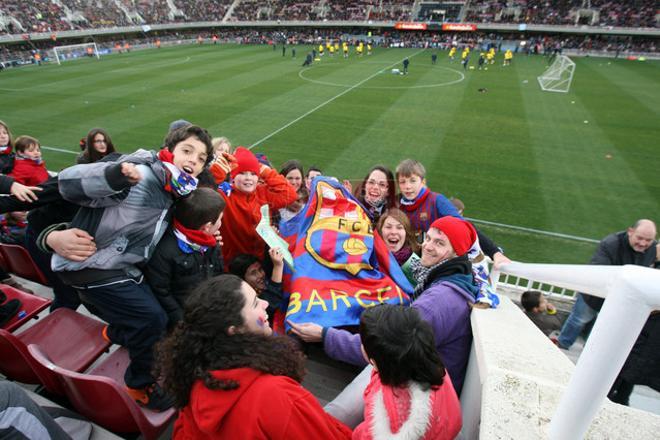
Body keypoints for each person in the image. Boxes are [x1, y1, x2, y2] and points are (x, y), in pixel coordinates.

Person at [43, 125, 214, 411]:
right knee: (153, 318)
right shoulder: (142, 172)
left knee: (153, 307)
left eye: (200, 157)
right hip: (93, 265)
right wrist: (52, 236)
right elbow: (70, 183)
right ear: (170, 150)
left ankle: (119, 333)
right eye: (187, 151)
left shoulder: (175, 187)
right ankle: (140, 385)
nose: (192, 161)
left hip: (118, 266)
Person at [290, 216, 480, 397]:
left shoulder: (439, 300)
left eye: (440, 243)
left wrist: (325, 335)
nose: (428, 246)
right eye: (428, 238)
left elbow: (389, 347)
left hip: (417, 393)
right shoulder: (449, 282)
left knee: (336, 412)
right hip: (417, 380)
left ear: (458, 252)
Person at [156, 275, 352, 439]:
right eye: (255, 303)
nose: (266, 303)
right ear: (235, 330)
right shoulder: (278, 396)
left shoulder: (195, 374)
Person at [353, 305, 462, 440]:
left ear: (375, 363)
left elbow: (366, 435)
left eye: (362, 342)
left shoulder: (381, 414)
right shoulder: (434, 367)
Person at [556, 219, 657, 350]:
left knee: (602, 327)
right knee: (578, 320)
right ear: (630, 231)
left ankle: (590, 351)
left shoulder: (654, 247)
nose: (643, 243)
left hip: (619, 298)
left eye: (648, 240)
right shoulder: (611, 244)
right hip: (593, 295)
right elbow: (598, 271)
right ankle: (562, 346)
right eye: (640, 238)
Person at [395, 159, 509, 269]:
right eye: (403, 182)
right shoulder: (395, 203)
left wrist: (494, 252)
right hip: (406, 263)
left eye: (412, 180)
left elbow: (465, 227)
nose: (407, 186)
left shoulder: (436, 201)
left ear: (423, 181)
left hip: (437, 264)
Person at [145, 188, 225, 328]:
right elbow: (161, 291)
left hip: (206, 309)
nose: (221, 224)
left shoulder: (210, 242)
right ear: (207, 226)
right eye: (220, 219)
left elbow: (217, 272)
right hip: (184, 318)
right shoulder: (165, 251)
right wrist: (180, 320)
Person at [210, 147, 297, 265]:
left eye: (253, 173)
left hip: (260, 264)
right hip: (232, 266)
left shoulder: (263, 193)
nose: (248, 178)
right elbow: (204, 195)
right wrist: (215, 174)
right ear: (233, 176)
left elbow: (290, 195)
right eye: (242, 173)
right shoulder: (225, 194)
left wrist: (266, 172)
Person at [228, 248, 285, 320]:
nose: (260, 275)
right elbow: (272, 302)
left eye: (260, 269)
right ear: (243, 280)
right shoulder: (246, 301)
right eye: (253, 273)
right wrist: (278, 266)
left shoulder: (266, 282)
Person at [376, 208, 420, 285]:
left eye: (399, 228)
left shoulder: (415, 265)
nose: (393, 232)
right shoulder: (370, 259)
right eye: (388, 227)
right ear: (380, 231)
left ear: (406, 233)